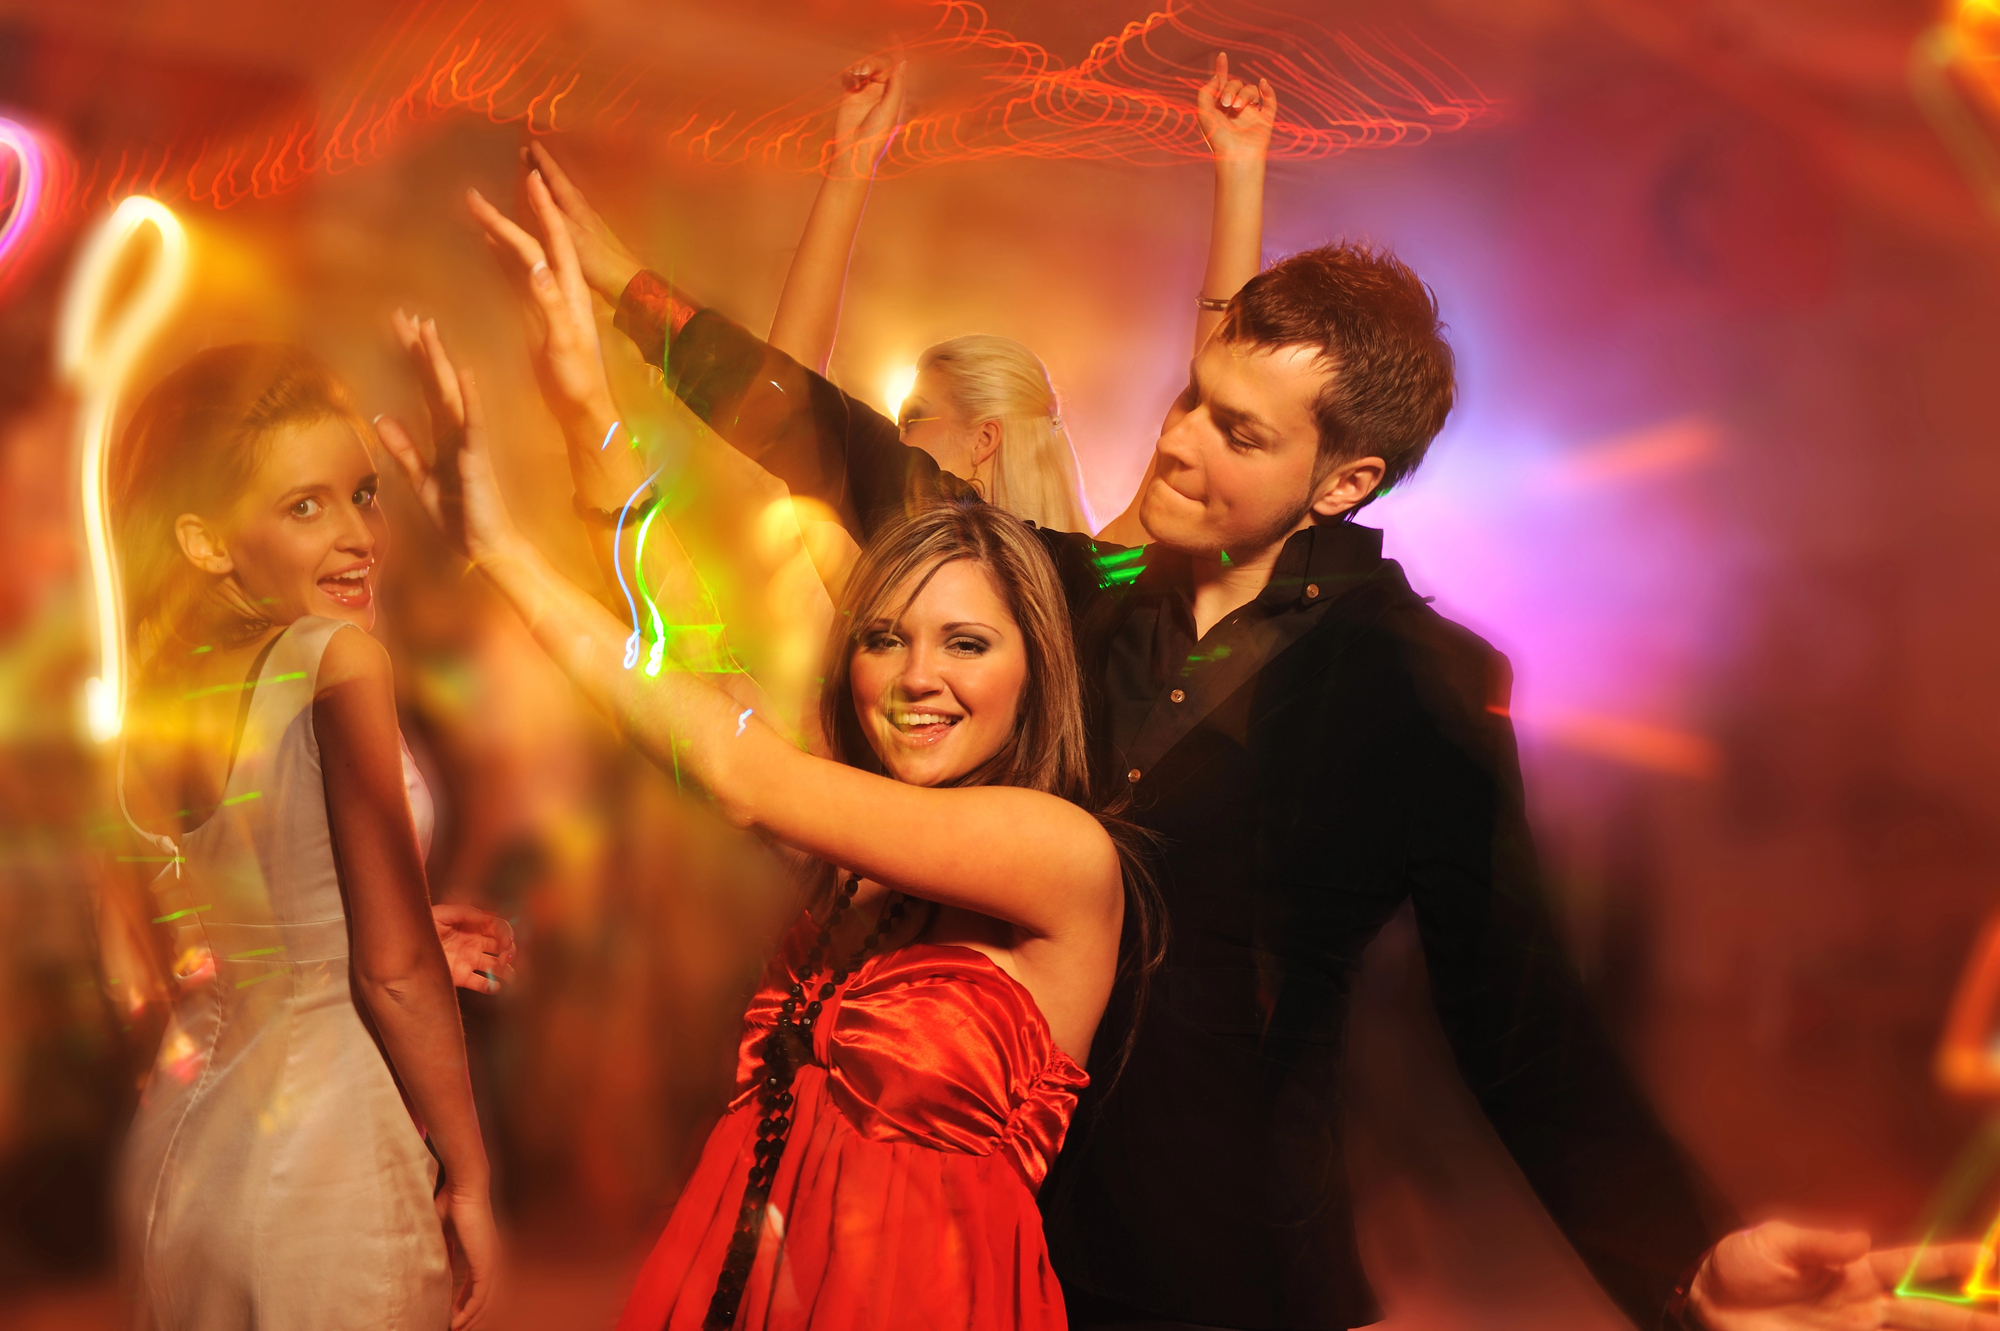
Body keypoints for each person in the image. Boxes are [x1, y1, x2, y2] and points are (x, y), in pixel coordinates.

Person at [528, 143, 2000, 1331]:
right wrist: (636, 301)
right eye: (1192, 401)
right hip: (997, 1213)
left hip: (1218, 1266)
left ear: (1343, 478)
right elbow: (863, 458)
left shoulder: (1414, 687)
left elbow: (1519, 1014)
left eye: (1240, 434)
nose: (1176, 444)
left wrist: (1685, 1261)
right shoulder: (1095, 590)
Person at [379, 182, 1164, 1330]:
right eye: (884, 638)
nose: (914, 677)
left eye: (965, 643)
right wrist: (579, 412)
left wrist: (505, 547)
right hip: (746, 1279)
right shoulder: (851, 818)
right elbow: (681, 646)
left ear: (1034, 667)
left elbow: (735, 763)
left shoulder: (1058, 853)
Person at [109, 345, 498, 1329]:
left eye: (362, 493)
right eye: (304, 505)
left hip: (183, 1157)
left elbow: (163, 968)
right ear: (203, 541)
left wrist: (362, 938)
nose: (360, 534)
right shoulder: (336, 660)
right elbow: (392, 971)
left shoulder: (149, 703)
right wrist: (470, 1174)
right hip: (331, 1155)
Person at [522, 51, 1275, 540]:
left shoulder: (1080, 578)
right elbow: (787, 390)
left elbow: (1210, 402)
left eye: (914, 416)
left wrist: (1241, 170)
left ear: (984, 441)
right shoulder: (893, 549)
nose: (890, 430)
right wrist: (850, 161)